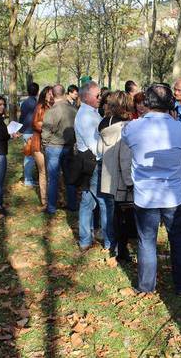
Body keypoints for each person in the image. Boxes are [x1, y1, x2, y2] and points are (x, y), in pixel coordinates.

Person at [123, 84, 181, 295]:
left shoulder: (133, 127)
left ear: (147, 102)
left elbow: (127, 141)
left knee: (147, 242)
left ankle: (146, 286)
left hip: (146, 195)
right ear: (170, 103)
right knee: (179, 240)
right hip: (174, 195)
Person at [75, 82, 112, 252]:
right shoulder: (85, 117)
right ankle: (107, 242)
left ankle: (85, 239)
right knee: (103, 202)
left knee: (87, 202)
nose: (100, 98)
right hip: (93, 162)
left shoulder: (90, 113)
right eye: (97, 96)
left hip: (91, 162)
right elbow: (94, 145)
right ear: (86, 96)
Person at [98, 91, 135, 261]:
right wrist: (129, 181)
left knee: (112, 212)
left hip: (108, 173)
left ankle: (113, 245)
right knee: (124, 217)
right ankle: (122, 250)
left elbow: (99, 150)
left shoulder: (104, 124)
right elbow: (125, 157)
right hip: (122, 177)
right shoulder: (127, 127)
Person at [42, 84, 78, 215]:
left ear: (52, 94)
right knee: (70, 178)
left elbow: (46, 131)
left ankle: (51, 207)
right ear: (63, 93)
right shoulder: (73, 109)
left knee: (53, 179)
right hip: (68, 146)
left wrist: (45, 144)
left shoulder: (51, 111)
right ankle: (72, 204)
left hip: (54, 147)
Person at [26, 86, 54, 207]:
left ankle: (53, 197)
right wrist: (47, 127)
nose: (50, 95)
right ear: (44, 95)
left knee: (52, 172)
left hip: (52, 144)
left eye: (52, 93)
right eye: (48, 93)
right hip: (38, 144)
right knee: (43, 172)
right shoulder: (40, 107)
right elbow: (34, 124)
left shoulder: (55, 107)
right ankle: (44, 200)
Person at [19, 82, 39, 187]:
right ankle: (28, 179)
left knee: (29, 156)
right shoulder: (37, 103)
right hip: (32, 132)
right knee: (30, 157)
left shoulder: (24, 103)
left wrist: (20, 130)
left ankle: (29, 178)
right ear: (37, 91)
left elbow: (21, 118)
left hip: (26, 132)